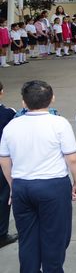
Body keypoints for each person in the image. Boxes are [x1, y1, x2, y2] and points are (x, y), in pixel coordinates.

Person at [0, 80, 76, 272]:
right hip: (52, 185)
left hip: (22, 185)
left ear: (23, 102)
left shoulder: (12, 126)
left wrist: (13, 185)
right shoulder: (59, 123)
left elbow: (4, 160)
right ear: (52, 99)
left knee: (27, 239)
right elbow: (73, 158)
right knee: (55, 238)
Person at [0, 82, 17, 249]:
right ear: (2, 93)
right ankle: (1, 234)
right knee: (3, 196)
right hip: (2, 160)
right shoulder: (8, 113)